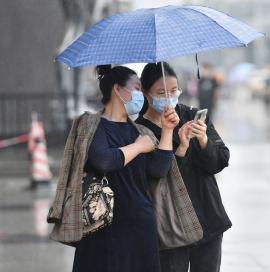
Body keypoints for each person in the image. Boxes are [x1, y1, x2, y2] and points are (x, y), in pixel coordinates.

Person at [47, 65, 180, 272]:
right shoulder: (91, 125)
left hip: (140, 225)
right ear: (118, 90)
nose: (140, 94)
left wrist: (168, 131)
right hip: (102, 225)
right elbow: (104, 161)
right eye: (136, 88)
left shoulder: (140, 130)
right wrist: (138, 147)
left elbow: (159, 170)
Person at [136, 62, 231, 272]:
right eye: (161, 92)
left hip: (206, 217)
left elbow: (220, 160)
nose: (169, 97)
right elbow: (155, 176)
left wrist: (204, 140)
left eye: (173, 90)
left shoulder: (192, 115)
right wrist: (181, 146)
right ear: (145, 93)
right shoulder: (138, 131)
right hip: (169, 227)